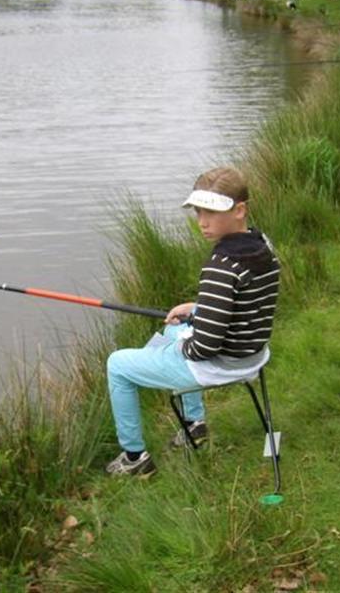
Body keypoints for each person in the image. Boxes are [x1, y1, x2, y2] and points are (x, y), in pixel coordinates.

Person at [104, 167, 281, 476]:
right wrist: (198, 309)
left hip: (220, 364)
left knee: (117, 364)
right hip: (253, 355)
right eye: (199, 211)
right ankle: (194, 424)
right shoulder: (263, 246)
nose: (202, 222)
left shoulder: (220, 266)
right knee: (174, 327)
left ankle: (134, 458)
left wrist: (182, 345)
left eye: (211, 212)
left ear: (240, 210)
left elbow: (204, 347)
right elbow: (245, 302)